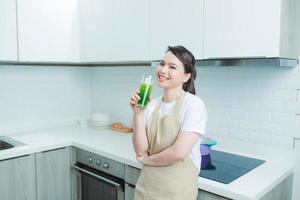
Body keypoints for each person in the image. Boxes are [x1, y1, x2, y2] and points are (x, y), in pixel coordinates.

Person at [129, 45, 207, 200]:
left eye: (172, 67)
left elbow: (177, 153)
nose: (163, 70)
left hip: (176, 192)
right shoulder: (151, 105)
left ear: (186, 76)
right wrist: (138, 114)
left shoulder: (193, 105)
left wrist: (147, 161)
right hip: (147, 187)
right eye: (162, 64)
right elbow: (141, 150)